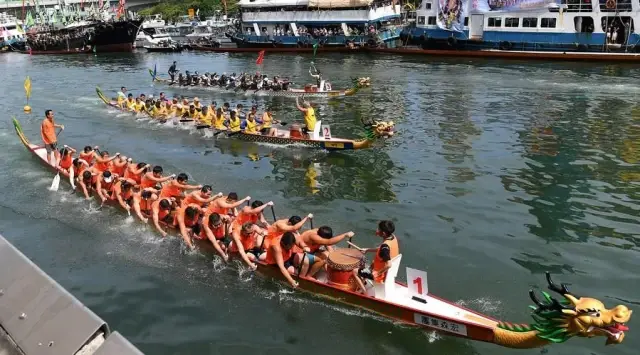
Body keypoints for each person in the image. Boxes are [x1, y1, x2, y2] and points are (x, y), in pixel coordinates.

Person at [352, 220, 399, 294]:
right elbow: (383, 249)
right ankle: (364, 281)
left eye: (378, 229)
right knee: (372, 264)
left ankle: (364, 293)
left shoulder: (385, 246)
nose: (377, 230)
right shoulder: (393, 237)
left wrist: (377, 273)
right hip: (388, 272)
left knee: (354, 271)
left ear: (383, 233)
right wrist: (367, 250)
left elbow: (389, 264)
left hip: (381, 275)